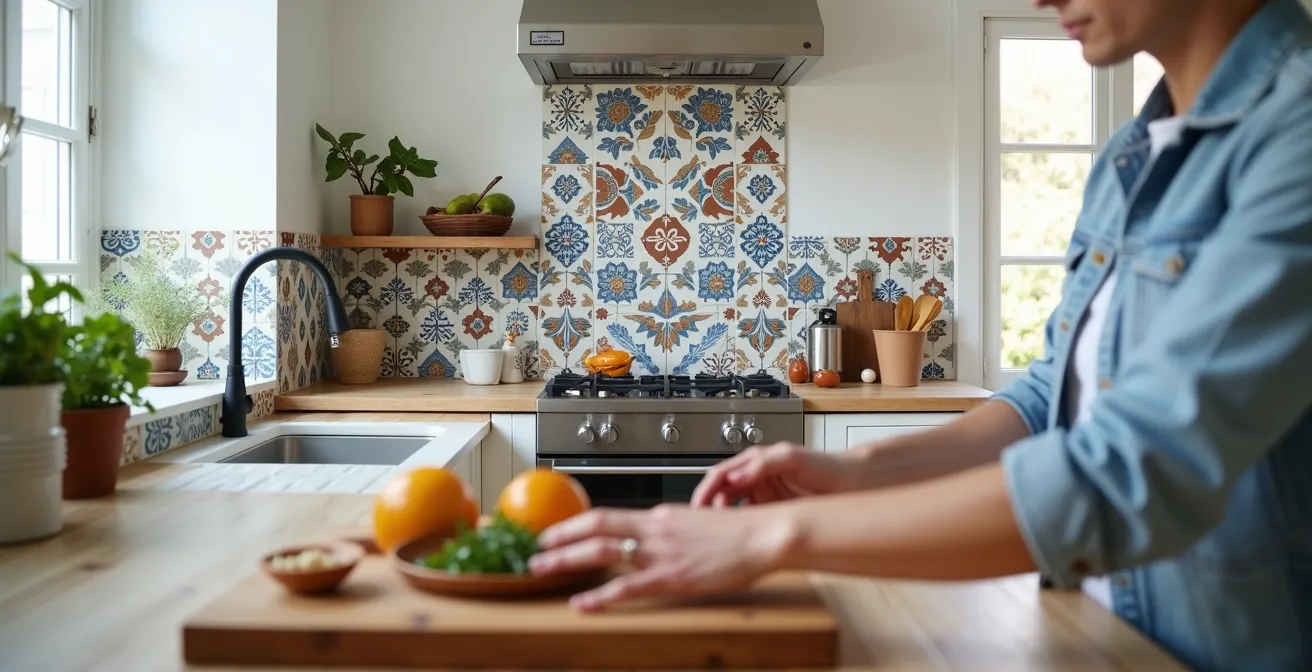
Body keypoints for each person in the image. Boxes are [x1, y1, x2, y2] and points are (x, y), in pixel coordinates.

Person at [528, 0, 1312, 669]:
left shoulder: (1297, 136)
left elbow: (1132, 471)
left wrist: (773, 535)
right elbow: (1049, 398)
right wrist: (859, 470)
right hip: (1098, 635)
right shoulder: (1132, 156)